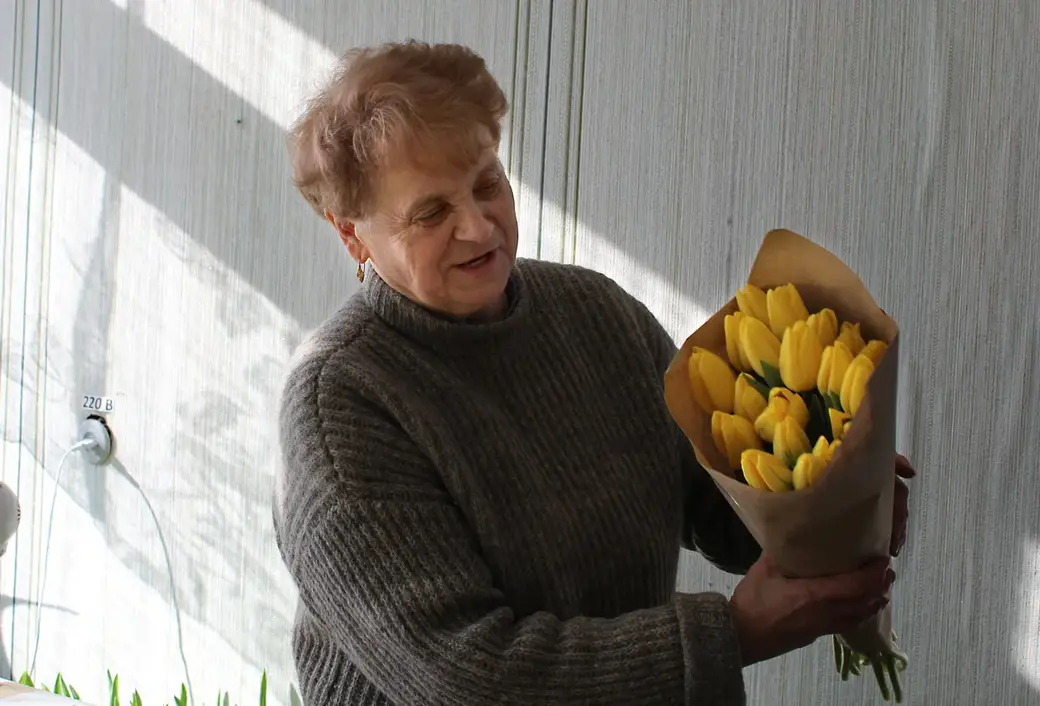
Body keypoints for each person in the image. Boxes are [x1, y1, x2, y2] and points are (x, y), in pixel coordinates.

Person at [274, 40, 914, 706]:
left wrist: (833, 498)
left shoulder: (596, 313)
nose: (478, 225)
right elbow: (465, 678)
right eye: (431, 213)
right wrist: (736, 633)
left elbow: (712, 502)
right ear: (351, 235)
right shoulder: (340, 404)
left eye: (487, 182)